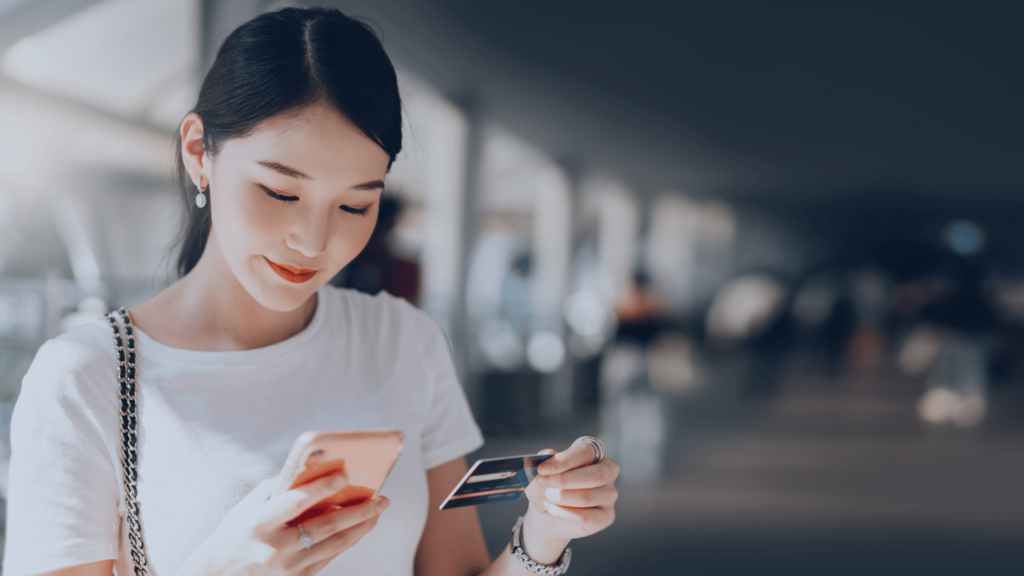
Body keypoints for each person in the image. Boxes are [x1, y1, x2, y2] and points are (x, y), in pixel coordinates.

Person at [2, 7, 618, 576]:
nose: (314, 241)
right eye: (280, 192)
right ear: (199, 153)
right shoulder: (87, 379)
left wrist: (544, 532)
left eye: (356, 204)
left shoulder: (404, 343)